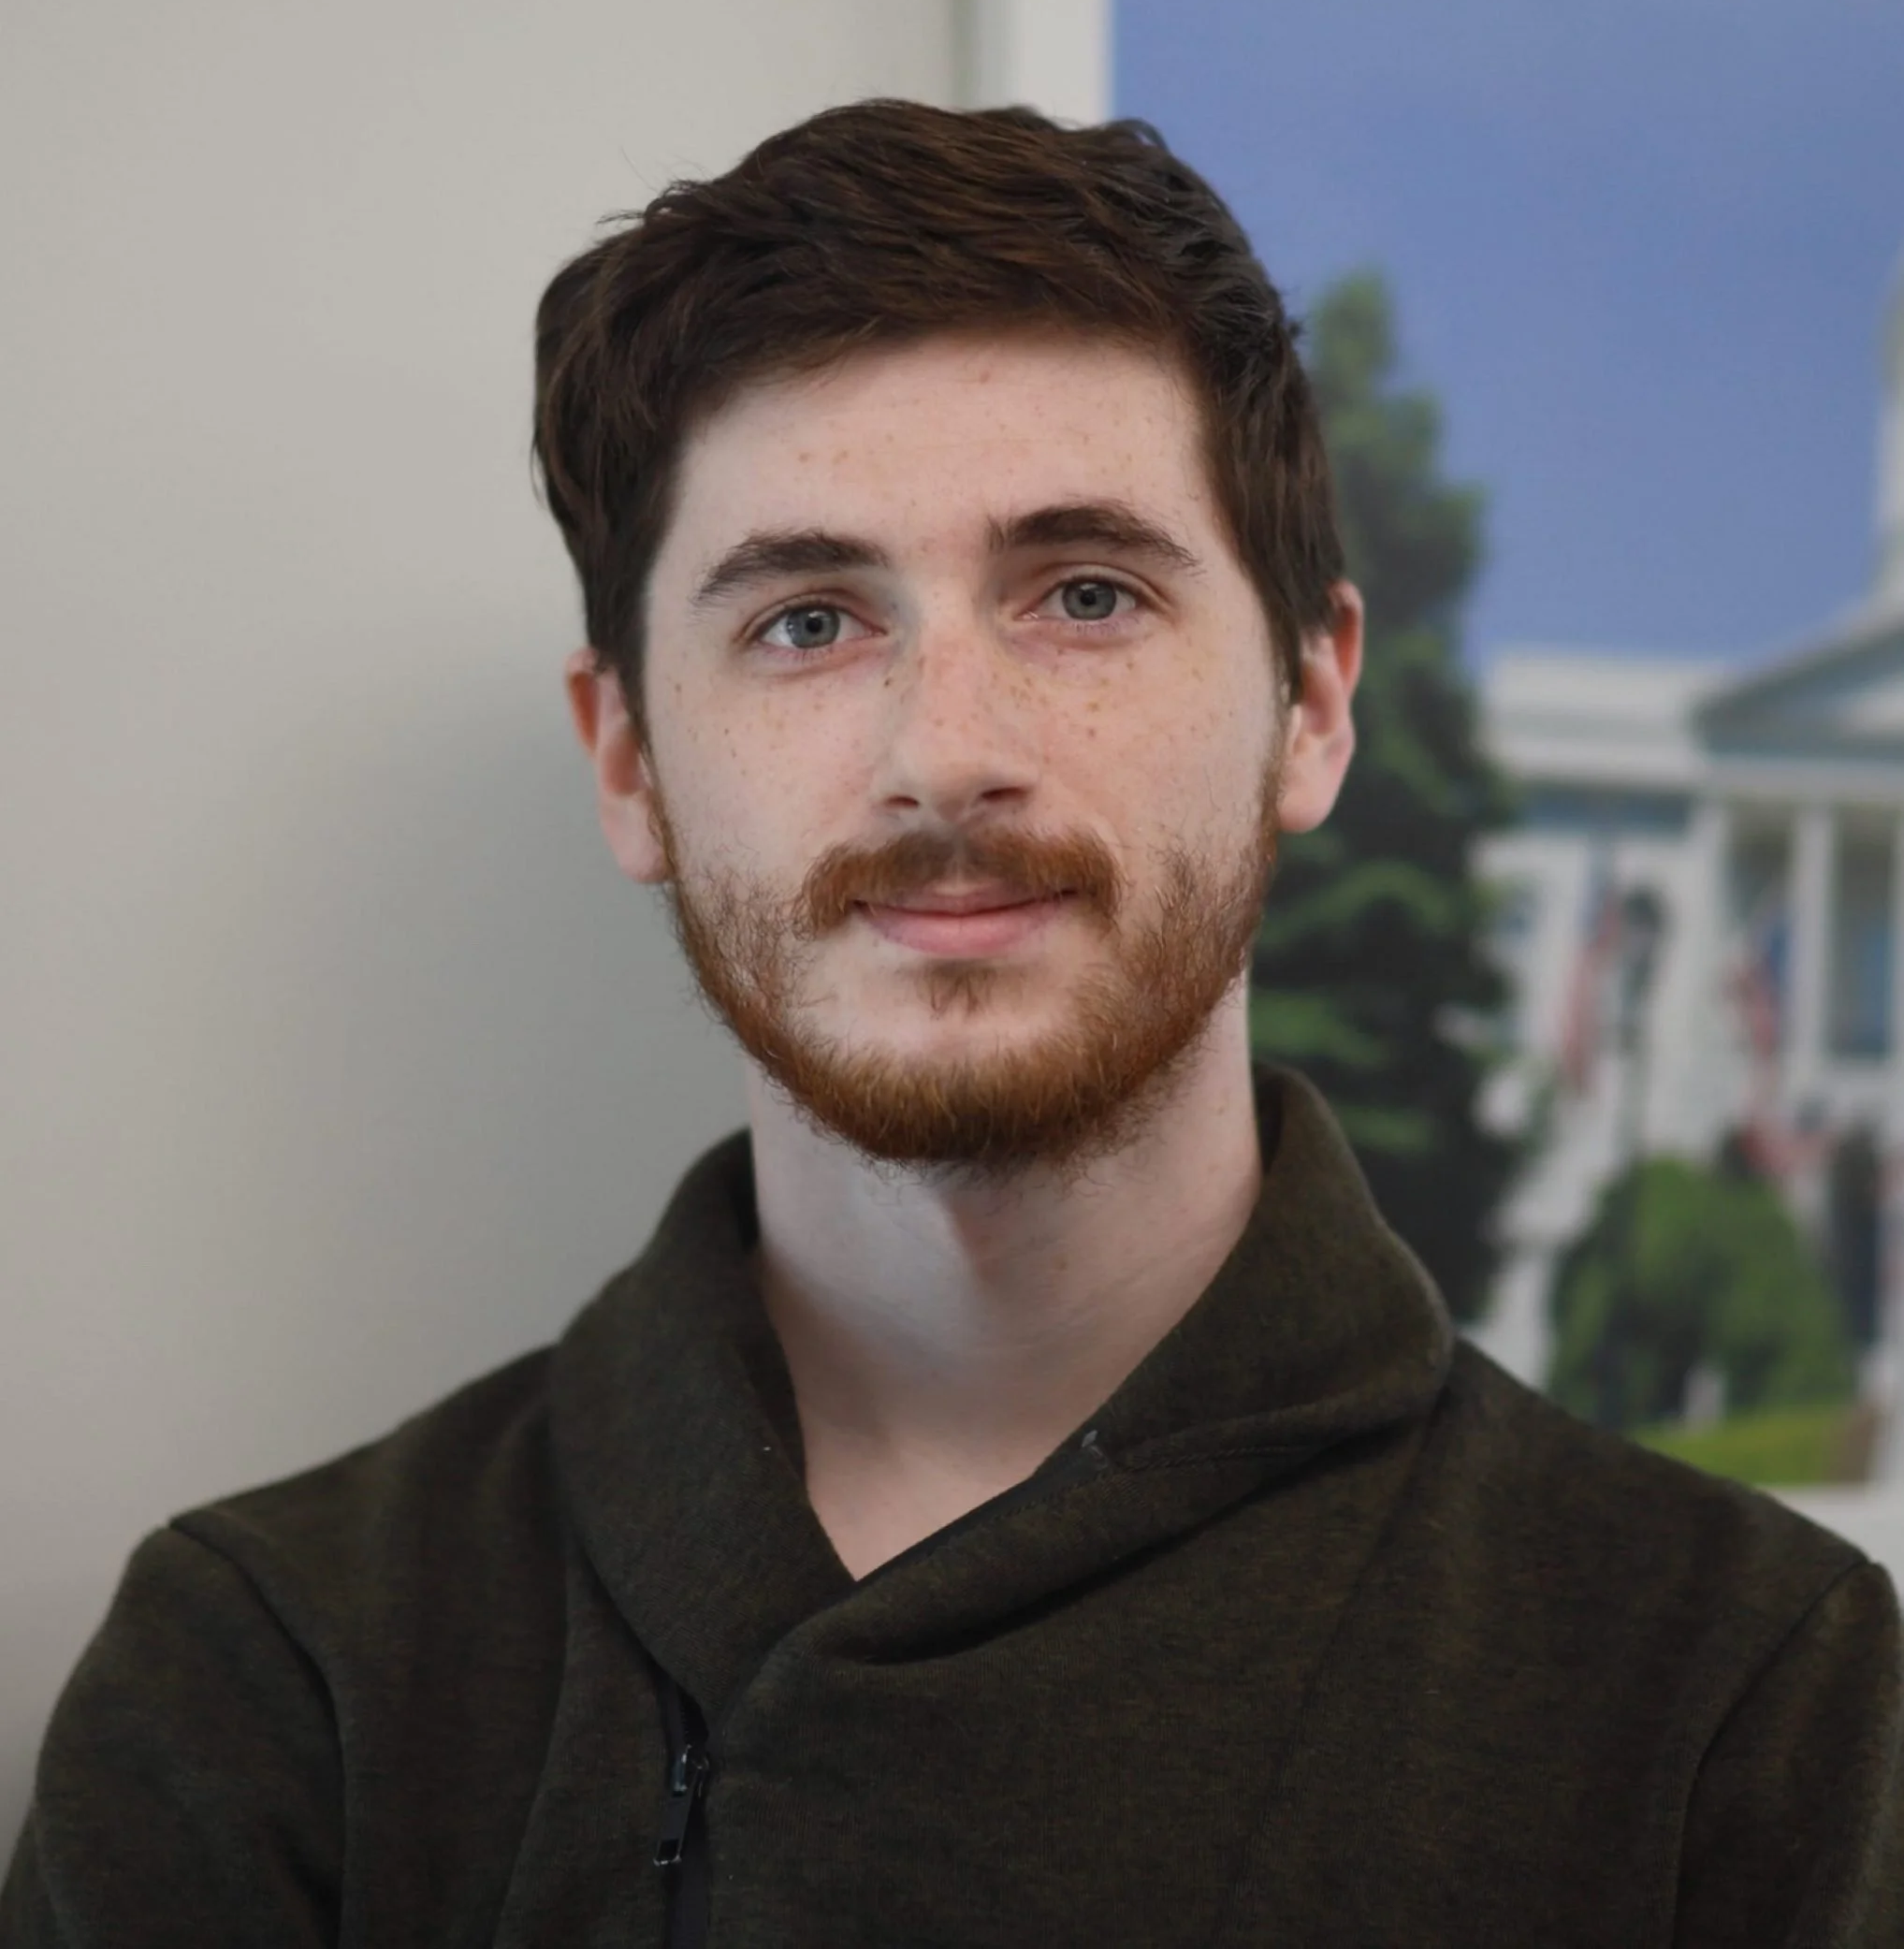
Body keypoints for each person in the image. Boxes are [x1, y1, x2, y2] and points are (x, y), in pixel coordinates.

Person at [4, 101, 1899, 1948]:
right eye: (807, 621)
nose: (946, 755)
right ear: (629, 758)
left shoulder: (1756, 1702)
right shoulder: (278, 1677)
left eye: (1083, 592)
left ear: (1313, 704)